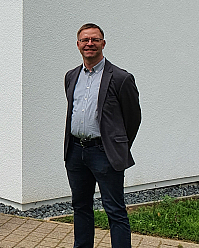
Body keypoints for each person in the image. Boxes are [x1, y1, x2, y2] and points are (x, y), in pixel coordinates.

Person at [64, 23, 141, 248]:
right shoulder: (71, 76)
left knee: (115, 211)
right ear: (78, 44)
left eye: (95, 40)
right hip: (76, 152)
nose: (90, 44)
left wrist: (117, 147)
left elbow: (133, 118)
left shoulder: (120, 78)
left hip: (104, 153)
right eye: (85, 40)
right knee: (81, 207)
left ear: (103, 44)